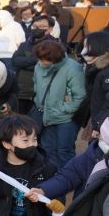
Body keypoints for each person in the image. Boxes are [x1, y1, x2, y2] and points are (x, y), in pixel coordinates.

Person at [32, 39, 85, 169]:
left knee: (64, 150)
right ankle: (50, 177)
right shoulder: (39, 65)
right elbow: (36, 85)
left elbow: (80, 95)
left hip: (65, 118)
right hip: (44, 113)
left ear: (54, 59)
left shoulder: (73, 68)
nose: (40, 62)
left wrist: (64, 109)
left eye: (43, 59)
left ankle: (67, 180)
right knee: (47, 148)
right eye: (39, 58)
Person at [79, 31, 109, 129]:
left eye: (87, 47)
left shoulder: (105, 73)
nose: (83, 52)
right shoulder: (94, 69)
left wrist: (98, 123)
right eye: (83, 46)